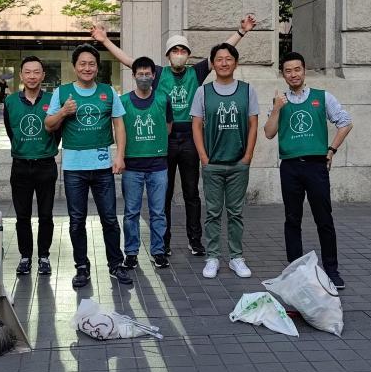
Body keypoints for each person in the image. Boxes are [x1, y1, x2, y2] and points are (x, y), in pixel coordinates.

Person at [92, 15, 257, 257]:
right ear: (168, 54)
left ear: (188, 54)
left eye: (183, 50)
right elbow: (131, 62)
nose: (179, 53)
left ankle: (195, 239)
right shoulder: (157, 74)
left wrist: (241, 32)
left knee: (192, 192)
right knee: (164, 194)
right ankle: (164, 241)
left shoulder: (197, 72)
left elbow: (221, 55)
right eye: (175, 50)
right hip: (165, 139)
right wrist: (105, 41)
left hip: (190, 138)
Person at [44, 44, 132, 288]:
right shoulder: (62, 93)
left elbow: (119, 126)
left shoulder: (108, 92)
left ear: (97, 66)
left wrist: (120, 156)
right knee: (76, 221)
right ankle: (81, 267)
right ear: (75, 67)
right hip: (74, 168)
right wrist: (63, 111)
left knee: (110, 220)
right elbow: (48, 125)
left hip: (103, 166)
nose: (87, 68)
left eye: (91, 63)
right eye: (82, 63)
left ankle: (116, 264)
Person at [263, 52, 353, 289]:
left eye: (297, 69)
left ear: (304, 71)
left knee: (324, 219)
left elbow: (345, 122)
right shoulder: (279, 101)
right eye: (288, 71)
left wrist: (331, 150)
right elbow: (269, 132)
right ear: (283, 74)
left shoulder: (322, 97)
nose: (293, 74)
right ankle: (294, 269)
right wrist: (276, 109)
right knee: (292, 219)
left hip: (316, 165)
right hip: (290, 166)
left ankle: (332, 270)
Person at [190, 43, 258, 279]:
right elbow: (196, 125)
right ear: (213, 63)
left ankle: (236, 257)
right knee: (213, 212)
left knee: (236, 212)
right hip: (213, 163)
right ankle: (212, 257)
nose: (224, 63)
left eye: (229, 59)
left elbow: (253, 124)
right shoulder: (203, 91)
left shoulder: (247, 90)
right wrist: (203, 157)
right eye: (219, 59)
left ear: (236, 63)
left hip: (238, 163)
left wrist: (248, 156)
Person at [3, 56, 61, 276]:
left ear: (43, 75)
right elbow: (10, 130)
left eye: (37, 72)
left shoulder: (52, 99)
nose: (32, 76)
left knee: (46, 215)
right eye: (28, 72)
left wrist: (46, 149)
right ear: (21, 75)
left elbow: (58, 131)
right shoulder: (10, 101)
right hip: (20, 166)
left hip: (46, 165)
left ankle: (44, 256)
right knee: (22, 216)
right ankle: (25, 256)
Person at [120, 57, 173, 270]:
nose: (144, 77)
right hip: (132, 166)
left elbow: (168, 126)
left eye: (147, 74)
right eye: (139, 74)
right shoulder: (123, 101)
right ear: (133, 76)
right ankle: (131, 253)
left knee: (158, 212)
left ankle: (158, 251)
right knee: (131, 212)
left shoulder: (163, 98)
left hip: (158, 165)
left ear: (153, 76)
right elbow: (119, 130)